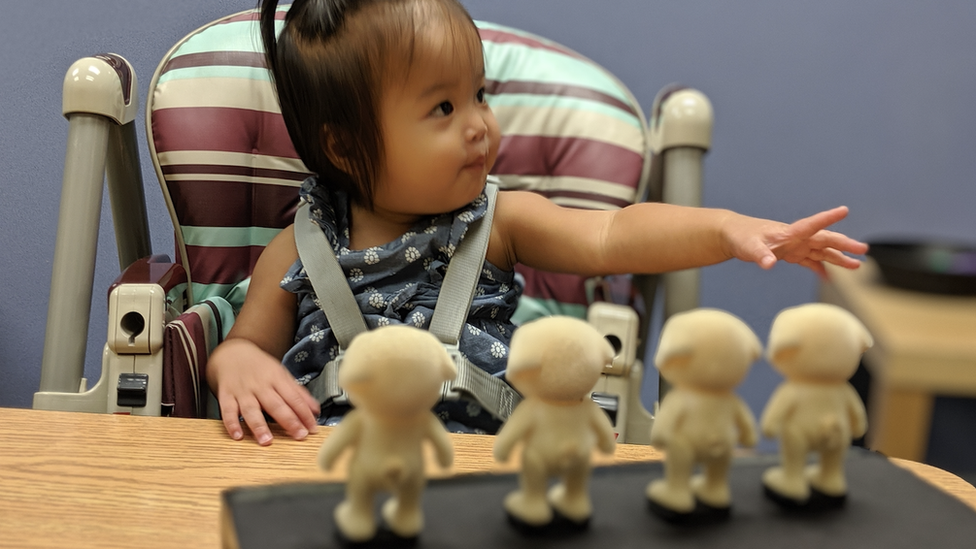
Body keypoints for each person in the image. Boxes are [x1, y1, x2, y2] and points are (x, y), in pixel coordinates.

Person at [207, 0, 869, 446]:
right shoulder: (298, 249)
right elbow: (245, 346)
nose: (480, 124)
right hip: (323, 472)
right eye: (443, 107)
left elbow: (613, 236)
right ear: (346, 146)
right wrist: (232, 364)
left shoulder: (498, 221)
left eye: (479, 94)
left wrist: (726, 229)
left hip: (480, 472)